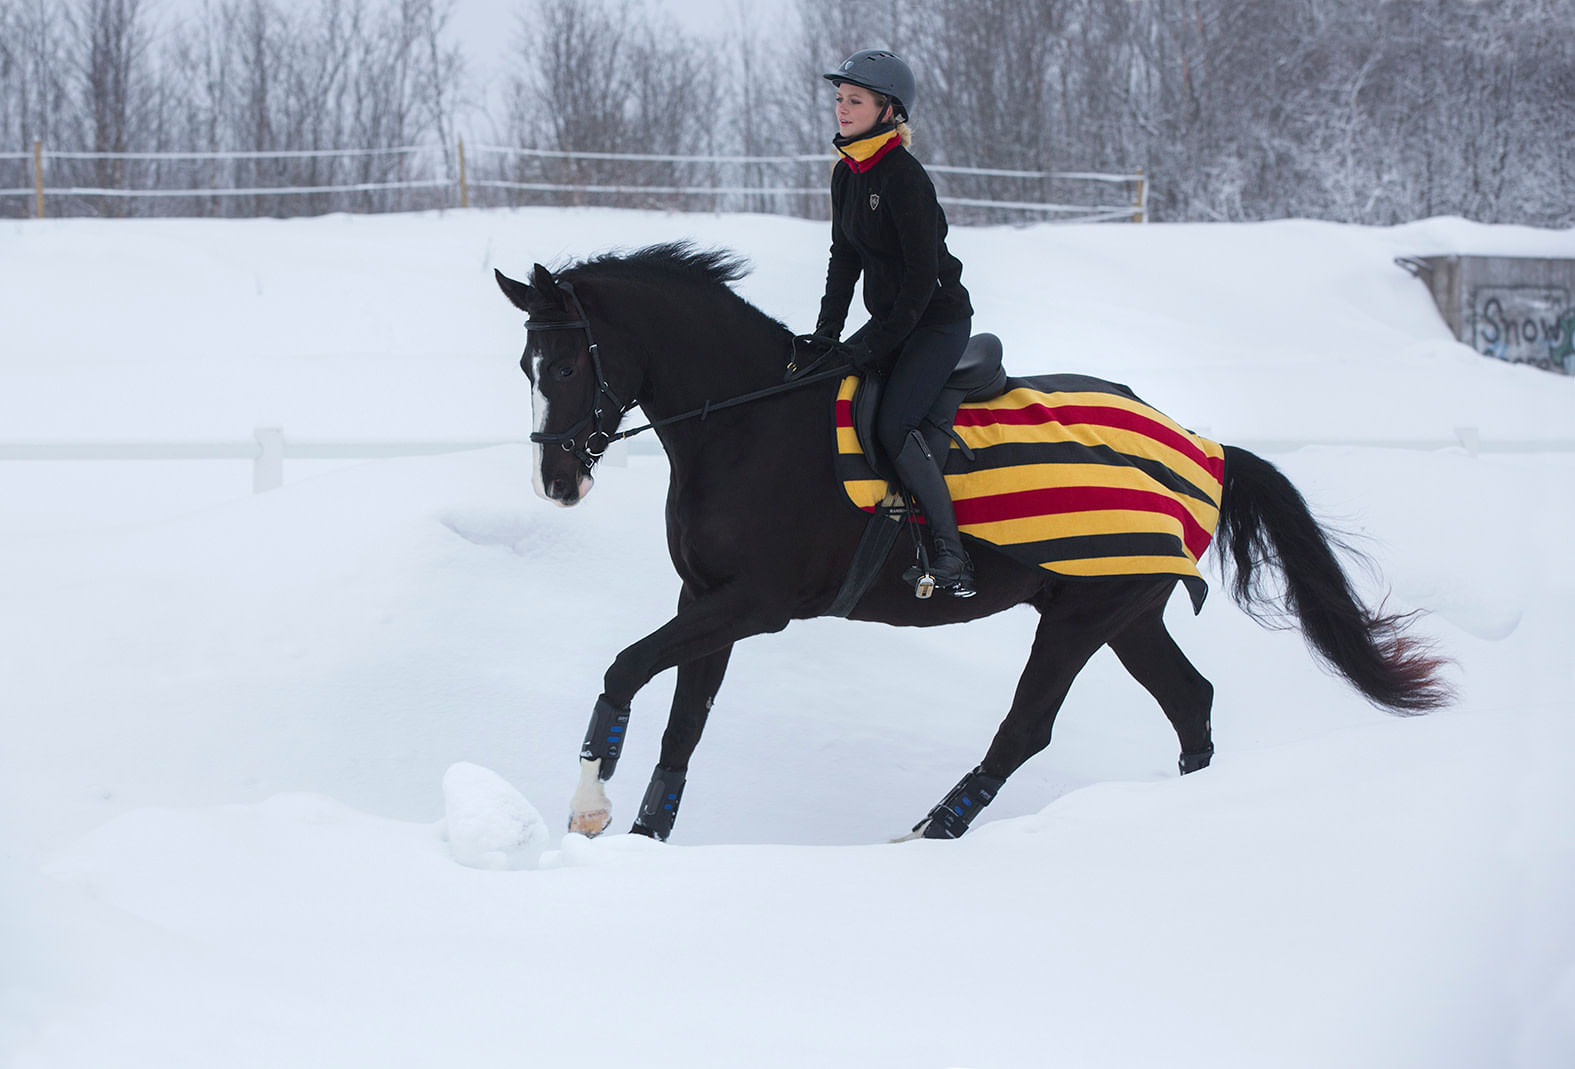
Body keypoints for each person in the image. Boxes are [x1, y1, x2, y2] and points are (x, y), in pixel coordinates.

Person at [810, 48, 976, 596]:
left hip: (934, 321)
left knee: (891, 425)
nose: (842, 108)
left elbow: (920, 282)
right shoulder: (847, 173)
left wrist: (873, 343)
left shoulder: (905, 177)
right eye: (839, 99)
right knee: (824, 384)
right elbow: (844, 259)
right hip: (894, 320)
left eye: (855, 100)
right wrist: (825, 336)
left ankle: (952, 556)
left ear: (888, 111)